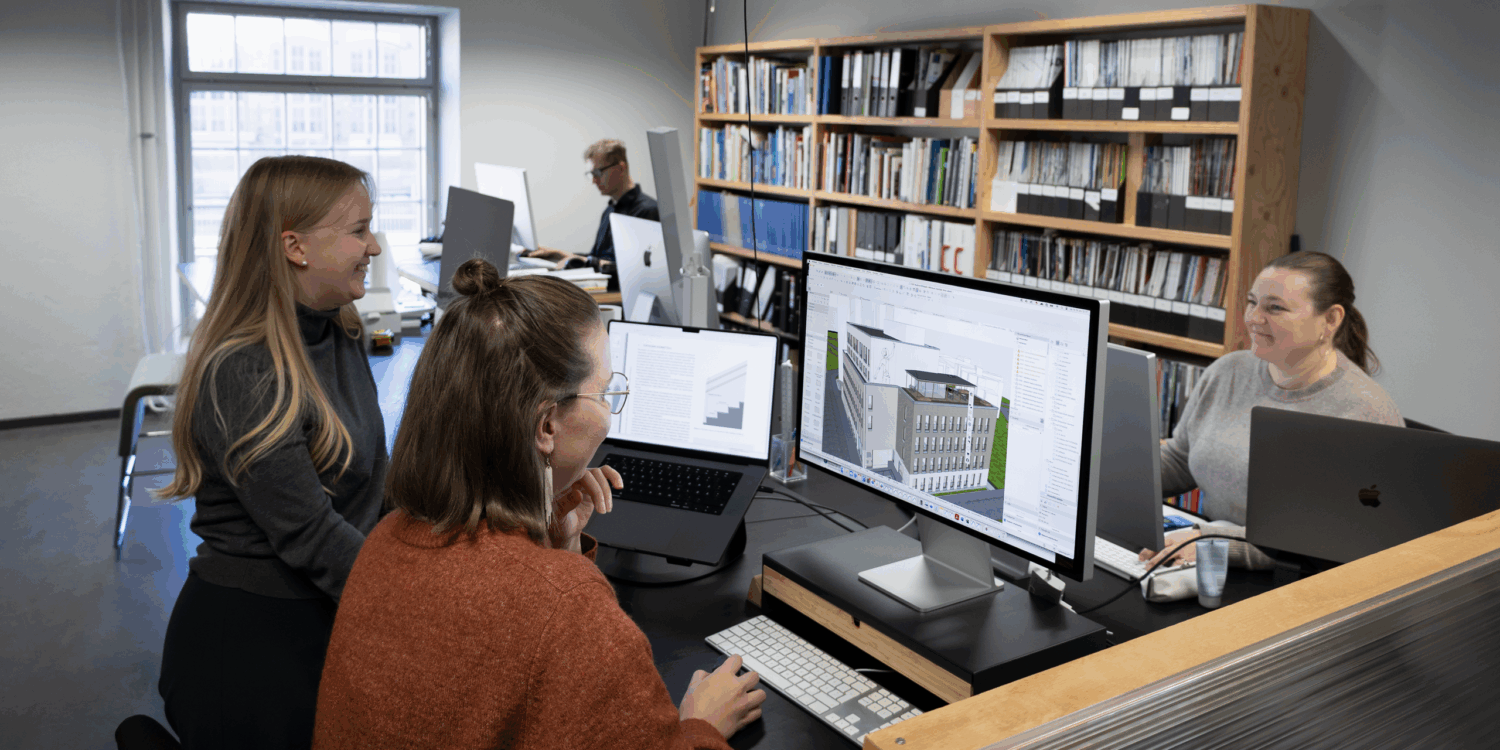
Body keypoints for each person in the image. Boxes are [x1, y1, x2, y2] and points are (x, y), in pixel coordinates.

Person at [313, 259, 765, 750]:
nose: (609, 412)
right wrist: (699, 725)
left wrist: (553, 547)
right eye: (605, 393)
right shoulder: (564, 604)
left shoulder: (385, 541)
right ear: (546, 426)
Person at [156, 156, 388, 748]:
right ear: (295, 247)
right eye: (359, 230)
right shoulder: (246, 367)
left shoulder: (339, 328)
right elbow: (311, 535)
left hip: (328, 608)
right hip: (251, 641)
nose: (375, 246)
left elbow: (372, 484)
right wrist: (419, 602)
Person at [1143, 251, 1402, 569]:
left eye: (1275, 308)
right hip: (1199, 554)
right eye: (1252, 302)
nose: (1253, 318)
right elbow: (1182, 457)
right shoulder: (1228, 371)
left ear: (1331, 320)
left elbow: (1329, 540)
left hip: (1287, 579)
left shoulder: (1367, 412)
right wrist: (1107, 470)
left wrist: (1212, 544)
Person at [525, 138, 660, 289]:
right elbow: (598, 258)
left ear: (621, 168)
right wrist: (557, 254)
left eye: (598, 172)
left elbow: (636, 272)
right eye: (591, 174)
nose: (594, 181)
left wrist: (579, 260)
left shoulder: (648, 211)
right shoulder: (610, 211)